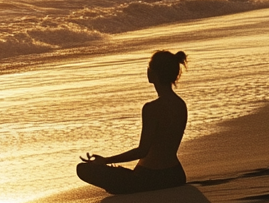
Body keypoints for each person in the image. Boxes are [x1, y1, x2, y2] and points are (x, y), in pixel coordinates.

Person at [76, 50, 188, 194]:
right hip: (175, 175)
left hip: (150, 177)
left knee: (83, 169)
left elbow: (142, 151)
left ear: (153, 73)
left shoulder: (151, 108)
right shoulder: (180, 104)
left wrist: (105, 160)